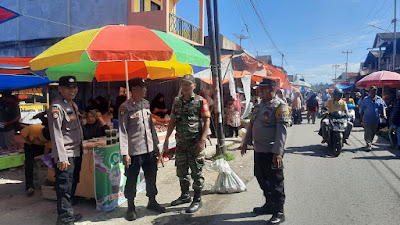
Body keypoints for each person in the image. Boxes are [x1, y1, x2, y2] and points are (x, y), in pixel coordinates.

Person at [241, 78, 290, 225]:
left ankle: (279, 211)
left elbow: (282, 131)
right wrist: (246, 142)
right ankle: (269, 204)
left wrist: (278, 152)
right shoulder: (259, 105)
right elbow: (252, 125)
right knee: (260, 176)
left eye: (262, 89)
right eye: (259, 89)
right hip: (259, 150)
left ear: (272, 89)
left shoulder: (280, 106)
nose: (259, 91)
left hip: (272, 151)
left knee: (275, 181)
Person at [163, 75, 211, 213]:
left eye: (188, 85)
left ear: (194, 86)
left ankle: (197, 199)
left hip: (195, 143)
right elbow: (172, 120)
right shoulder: (177, 101)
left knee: (196, 171)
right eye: (183, 84)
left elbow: (206, 121)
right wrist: (166, 139)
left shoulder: (200, 101)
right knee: (181, 170)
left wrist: (202, 140)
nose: (185, 87)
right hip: (181, 143)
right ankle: (185, 195)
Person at [119, 78, 165, 221]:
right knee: (132, 178)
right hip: (134, 151)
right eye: (142, 87)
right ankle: (131, 207)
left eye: (145, 87)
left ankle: (152, 201)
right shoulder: (125, 107)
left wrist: (157, 146)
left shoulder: (146, 104)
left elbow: (151, 127)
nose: (145, 90)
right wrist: (125, 153)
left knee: (151, 176)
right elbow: (123, 131)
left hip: (149, 149)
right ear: (133, 90)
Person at [48, 76, 83, 225]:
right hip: (66, 156)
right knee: (64, 188)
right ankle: (64, 219)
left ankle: (68, 214)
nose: (72, 90)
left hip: (76, 153)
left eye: (74, 87)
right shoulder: (56, 108)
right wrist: (62, 158)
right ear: (60, 89)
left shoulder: (72, 106)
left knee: (72, 185)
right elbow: (57, 135)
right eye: (69, 87)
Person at [21, 112, 51, 196]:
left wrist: (44, 158)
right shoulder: (34, 128)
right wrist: (29, 142)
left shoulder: (51, 138)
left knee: (51, 158)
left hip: (41, 147)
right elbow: (22, 133)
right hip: (30, 145)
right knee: (29, 164)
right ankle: (29, 186)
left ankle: (50, 181)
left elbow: (47, 148)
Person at [360, 86, 387, 151]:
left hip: (375, 119)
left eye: (375, 91)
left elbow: (383, 107)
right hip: (366, 119)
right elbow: (362, 110)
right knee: (367, 132)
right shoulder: (365, 99)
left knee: (373, 132)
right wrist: (361, 118)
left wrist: (384, 114)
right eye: (372, 91)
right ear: (369, 92)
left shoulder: (379, 99)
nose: (373, 92)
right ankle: (368, 144)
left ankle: (370, 142)